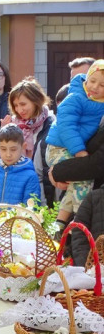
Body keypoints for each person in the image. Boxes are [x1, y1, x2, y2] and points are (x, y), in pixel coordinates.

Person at [45, 59, 104, 230]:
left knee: (78, 182)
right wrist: (79, 152)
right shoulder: (76, 97)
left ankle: (60, 223)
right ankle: (80, 220)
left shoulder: (99, 103)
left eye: (102, 85)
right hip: (60, 147)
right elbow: (67, 126)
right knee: (82, 180)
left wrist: (57, 172)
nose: (95, 87)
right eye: (92, 81)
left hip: (72, 150)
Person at [5, 77, 55, 206]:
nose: (19, 110)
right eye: (15, 105)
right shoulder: (13, 125)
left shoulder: (52, 124)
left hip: (45, 188)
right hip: (18, 187)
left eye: (23, 104)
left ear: (35, 101)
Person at [0, 124, 41, 204]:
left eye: (13, 149)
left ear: (23, 146)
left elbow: (31, 210)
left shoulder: (30, 176)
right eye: (3, 149)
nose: (8, 154)